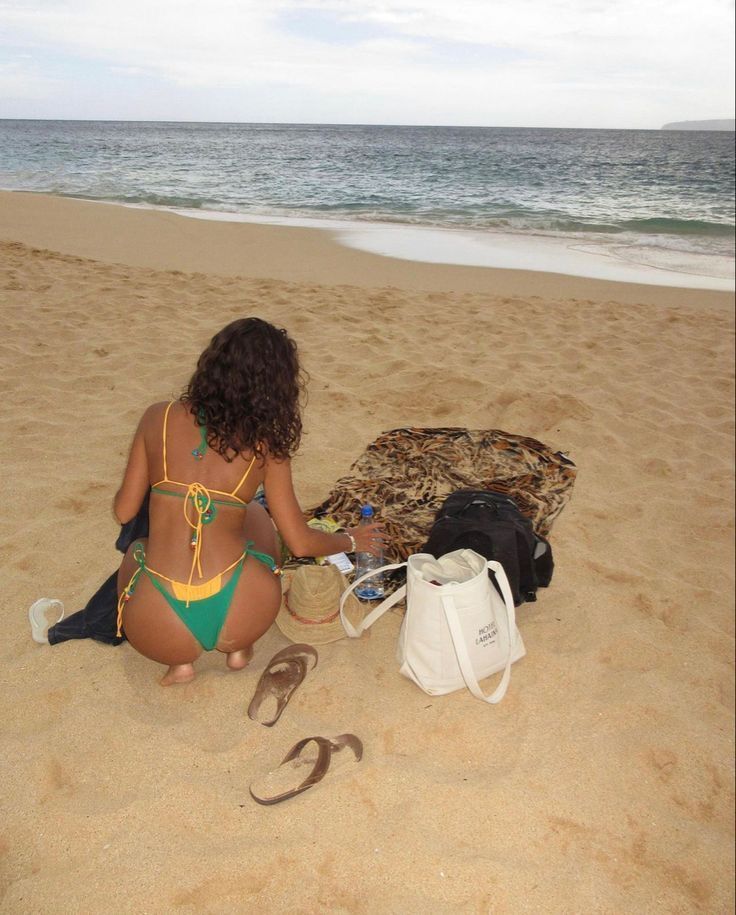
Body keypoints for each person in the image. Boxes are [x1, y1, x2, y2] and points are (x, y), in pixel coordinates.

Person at [115, 317, 385, 685]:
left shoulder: (157, 417)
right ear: (274, 388)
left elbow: (124, 510)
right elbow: (300, 542)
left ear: (212, 364)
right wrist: (351, 539)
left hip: (158, 624)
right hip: (244, 609)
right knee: (255, 513)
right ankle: (238, 649)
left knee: (137, 552)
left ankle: (179, 663)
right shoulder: (265, 446)